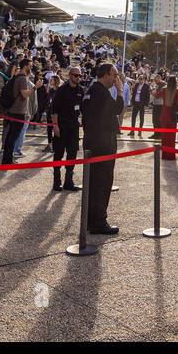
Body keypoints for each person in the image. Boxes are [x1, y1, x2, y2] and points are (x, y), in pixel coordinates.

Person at [81, 62, 123, 233]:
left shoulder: (90, 91)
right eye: (114, 75)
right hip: (103, 144)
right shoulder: (101, 92)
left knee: (93, 184)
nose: (116, 79)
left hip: (92, 142)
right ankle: (99, 222)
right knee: (102, 183)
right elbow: (117, 109)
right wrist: (120, 91)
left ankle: (92, 221)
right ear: (105, 74)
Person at [49, 66, 86, 191]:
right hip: (62, 125)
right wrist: (55, 126)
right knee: (58, 153)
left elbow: (82, 108)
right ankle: (56, 181)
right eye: (76, 75)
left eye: (80, 76)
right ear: (70, 75)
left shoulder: (81, 90)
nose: (78, 78)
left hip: (74, 126)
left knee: (72, 153)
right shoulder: (61, 90)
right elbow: (55, 110)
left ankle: (68, 181)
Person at [0, 58, 34, 164]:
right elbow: (24, 95)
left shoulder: (18, 77)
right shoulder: (22, 78)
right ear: (26, 66)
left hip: (13, 110)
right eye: (30, 66)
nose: (31, 68)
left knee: (10, 136)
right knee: (13, 136)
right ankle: (8, 159)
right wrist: (35, 88)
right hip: (18, 112)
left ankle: (7, 158)